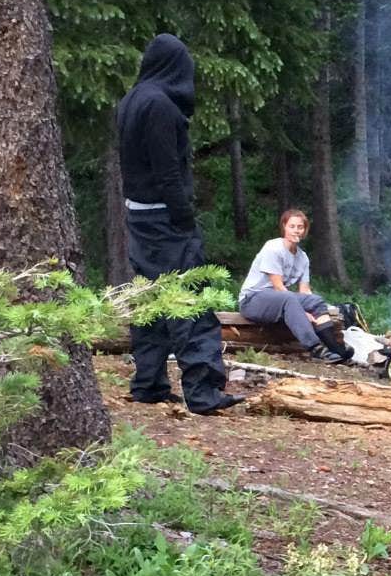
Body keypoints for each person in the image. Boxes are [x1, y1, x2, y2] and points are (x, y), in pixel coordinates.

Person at [117, 35, 241, 415]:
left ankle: (149, 384)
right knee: (191, 299)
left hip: (137, 216)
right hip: (165, 220)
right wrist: (185, 218)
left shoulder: (130, 100)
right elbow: (168, 171)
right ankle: (203, 392)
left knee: (151, 301)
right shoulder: (160, 106)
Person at [238, 209, 350, 362]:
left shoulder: (303, 257)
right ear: (284, 227)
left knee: (315, 301)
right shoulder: (273, 248)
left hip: (280, 300)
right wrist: (302, 312)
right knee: (288, 297)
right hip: (253, 300)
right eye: (292, 226)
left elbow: (304, 290)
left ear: (305, 230)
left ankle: (334, 348)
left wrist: (312, 308)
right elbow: (278, 287)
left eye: (300, 227)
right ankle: (315, 348)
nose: (296, 230)